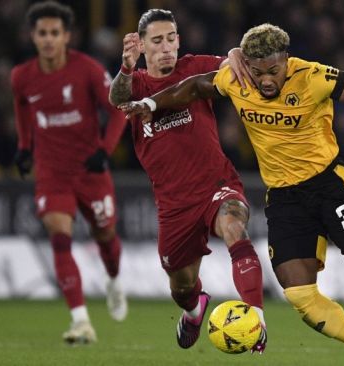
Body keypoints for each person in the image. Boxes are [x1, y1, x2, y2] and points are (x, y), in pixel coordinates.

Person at [119, 23, 344, 365]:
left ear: (287, 60)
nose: (266, 80)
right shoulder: (236, 80)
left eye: (274, 70)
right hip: (285, 198)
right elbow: (194, 87)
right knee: (300, 297)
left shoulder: (312, 77)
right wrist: (150, 102)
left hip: (329, 184)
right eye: (258, 73)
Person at [108, 9, 266, 352]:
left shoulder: (194, 67)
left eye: (171, 39)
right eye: (157, 41)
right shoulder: (135, 83)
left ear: (178, 40)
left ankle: (257, 317)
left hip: (216, 183)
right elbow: (116, 98)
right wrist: (125, 67)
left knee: (234, 226)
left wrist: (238, 53)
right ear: (142, 46)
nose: (166, 47)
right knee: (181, 287)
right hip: (174, 204)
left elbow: (233, 66)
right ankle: (195, 311)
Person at [11, 1, 127, 345]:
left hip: (90, 171)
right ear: (33, 36)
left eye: (54, 33)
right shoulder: (21, 77)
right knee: (59, 238)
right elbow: (22, 111)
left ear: (66, 37)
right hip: (52, 173)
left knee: (105, 236)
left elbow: (118, 110)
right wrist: (24, 147)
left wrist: (105, 150)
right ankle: (81, 321)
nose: (48, 40)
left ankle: (114, 279)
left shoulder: (88, 70)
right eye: (42, 33)